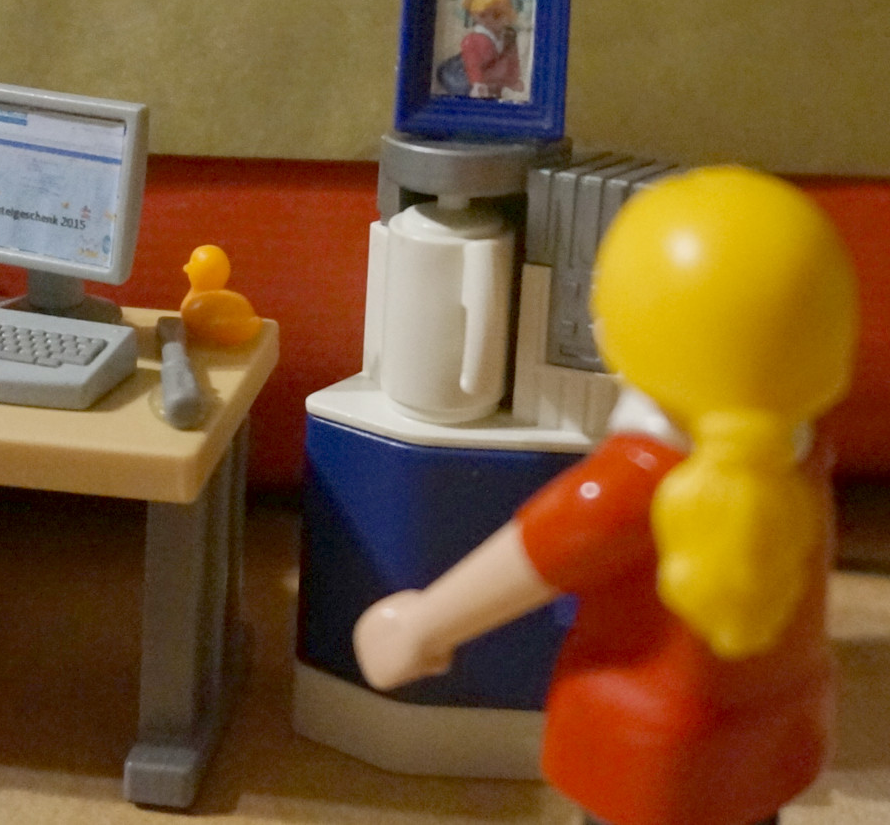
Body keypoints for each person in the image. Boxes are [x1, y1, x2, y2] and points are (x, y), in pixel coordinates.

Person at [354, 166, 858, 825]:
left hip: (643, 751)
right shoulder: (804, 453)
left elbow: (534, 558)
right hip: (774, 730)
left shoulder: (634, 481)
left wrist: (422, 625)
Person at [459, 0, 524, 99]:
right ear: (476, 16)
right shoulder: (472, 39)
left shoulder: (508, 37)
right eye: (483, 15)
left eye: (497, 15)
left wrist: (513, 80)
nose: (489, 19)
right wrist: (477, 82)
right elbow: (472, 64)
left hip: (499, 84)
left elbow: (513, 62)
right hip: (476, 83)